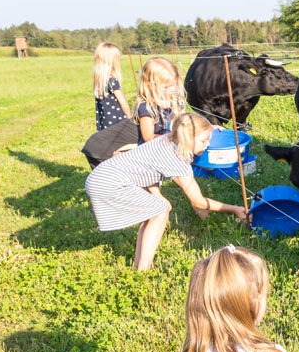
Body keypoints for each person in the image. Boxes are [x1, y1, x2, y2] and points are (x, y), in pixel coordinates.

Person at [84, 112, 248, 270]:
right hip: (108, 183)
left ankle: (139, 264)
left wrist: (157, 195)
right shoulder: (177, 160)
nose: (207, 144)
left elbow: (147, 167)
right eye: (204, 140)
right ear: (187, 138)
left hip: (101, 175)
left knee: (153, 211)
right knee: (160, 211)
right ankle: (144, 268)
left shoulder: (167, 139)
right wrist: (234, 209)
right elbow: (198, 201)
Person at [136, 57, 186, 143]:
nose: (173, 89)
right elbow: (148, 137)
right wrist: (172, 138)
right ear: (150, 85)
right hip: (154, 149)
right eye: (166, 87)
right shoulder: (146, 108)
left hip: (173, 146)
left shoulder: (176, 103)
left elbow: (184, 123)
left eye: (174, 84)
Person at [92, 42, 133, 131]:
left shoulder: (100, 82)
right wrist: (131, 119)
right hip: (119, 124)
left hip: (106, 124)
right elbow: (124, 105)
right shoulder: (112, 81)